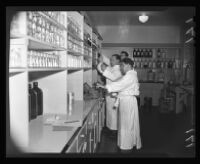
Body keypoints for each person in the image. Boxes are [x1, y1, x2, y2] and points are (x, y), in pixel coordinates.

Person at [97, 58, 142, 151]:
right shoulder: (129, 75)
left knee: (127, 125)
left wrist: (106, 87)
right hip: (125, 101)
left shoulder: (130, 76)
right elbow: (122, 88)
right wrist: (113, 91)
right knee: (124, 124)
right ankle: (124, 143)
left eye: (122, 65)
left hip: (128, 103)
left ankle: (126, 145)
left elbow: (120, 85)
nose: (121, 68)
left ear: (128, 65)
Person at [97, 54, 122, 137]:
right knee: (109, 113)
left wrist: (104, 70)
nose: (111, 61)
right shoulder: (112, 68)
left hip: (114, 95)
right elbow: (101, 70)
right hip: (109, 94)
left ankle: (114, 131)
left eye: (113, 60)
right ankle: (109, 128)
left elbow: (113, 77)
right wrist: (100, 63)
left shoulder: (119, 70)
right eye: (110, 59)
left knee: (113, 114)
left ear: (118, 61)